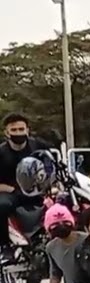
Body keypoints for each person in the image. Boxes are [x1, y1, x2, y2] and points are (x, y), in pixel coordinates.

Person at [0, 112, 51, 263]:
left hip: (39, 190)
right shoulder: (1, 153)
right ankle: (4, 247)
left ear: (28, 130)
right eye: (14, 130)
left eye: (21, 129)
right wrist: (13, 190)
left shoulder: (39, 146)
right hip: (11, 192)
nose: (18, 133)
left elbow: (53, 164)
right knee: (1, 206)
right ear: (6, 133)